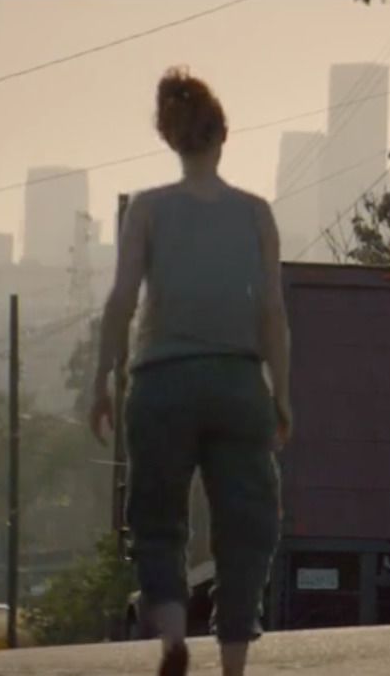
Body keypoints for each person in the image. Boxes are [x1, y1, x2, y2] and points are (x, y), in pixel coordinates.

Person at [90, 66, 292, 676]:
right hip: (236, 383)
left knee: (157, 517)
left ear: (171, 140)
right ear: (222, 137)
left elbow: (123, 299)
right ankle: (233, 663)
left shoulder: (148, 210)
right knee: (246, 525)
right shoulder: (256, 213)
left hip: (161, 383)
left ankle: (174, 640)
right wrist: (281, 394)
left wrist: (102, 374)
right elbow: (272, 311)